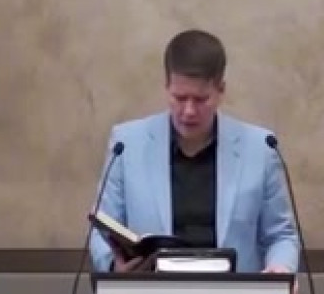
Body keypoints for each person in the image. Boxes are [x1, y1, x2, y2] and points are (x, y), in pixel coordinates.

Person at [89, 29, 299, 275]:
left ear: (221, 90)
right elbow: (101, 230)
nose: (188, 111)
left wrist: (280, 267)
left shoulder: (260, 148)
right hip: (151, 291)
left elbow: (280, 235)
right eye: (179, 98)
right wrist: (114, 266)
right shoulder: (126, 144)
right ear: (167, 87)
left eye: (200, 99)